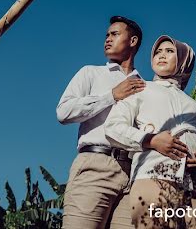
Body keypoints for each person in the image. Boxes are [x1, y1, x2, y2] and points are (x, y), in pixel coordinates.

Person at [104, 35, 196, 229]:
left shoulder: (195, 106)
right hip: (153, 177)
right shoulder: (142, 88)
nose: (161, 55)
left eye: (169, 51)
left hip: (194, 188)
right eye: (157, 51)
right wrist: (151, 140)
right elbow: (113, 127)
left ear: (183, 60)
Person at [57, 16, 147, 229]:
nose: (107, 39)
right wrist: (111, 96)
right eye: (107, 35)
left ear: (132, 41)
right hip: (96, 166)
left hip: (133, 175)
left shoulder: (146, 86)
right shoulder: (91, 73)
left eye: (115, 34)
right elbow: (63, 112)